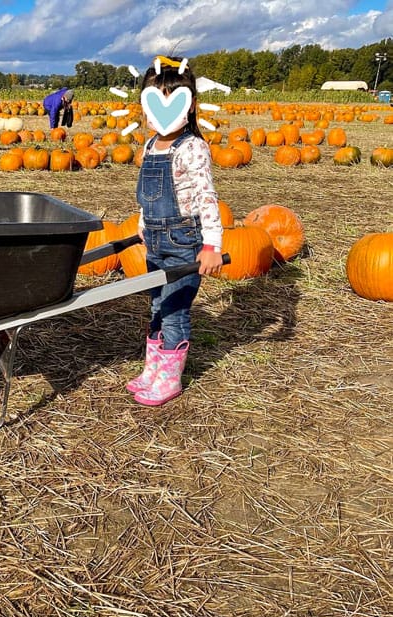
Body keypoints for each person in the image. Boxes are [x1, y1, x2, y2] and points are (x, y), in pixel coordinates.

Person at [125, 56, 223, 406]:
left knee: (175, 310)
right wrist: (141, 223)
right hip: (154, 238)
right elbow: (145, 195)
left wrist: (212, 244)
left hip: (184, 240)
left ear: (190, 105)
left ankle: (170, 379)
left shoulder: (192, 147)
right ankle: (153, 369)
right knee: (155, 306)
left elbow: (206, 196)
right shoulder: (152, 145)